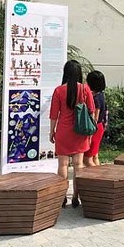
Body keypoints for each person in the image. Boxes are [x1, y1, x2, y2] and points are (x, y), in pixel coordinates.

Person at [49, 60, 95, 208]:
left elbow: (54, 114)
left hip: (63, 131)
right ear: (79, 73)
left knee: (62, 165)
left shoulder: (59, 90)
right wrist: (90, 131)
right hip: (80, 131)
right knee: (78, 165)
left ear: (65, 73)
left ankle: (62, 197)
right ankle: (76, 197)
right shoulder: (85, 89)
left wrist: (52, 131)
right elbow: (92, 110)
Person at [84, 70, 107, 167]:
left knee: (87, 160)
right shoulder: (101, 95)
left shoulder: (95, 99)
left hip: (95, 128)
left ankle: (97, 179)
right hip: (100, 126)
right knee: (95, 156)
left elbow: (95, 118)